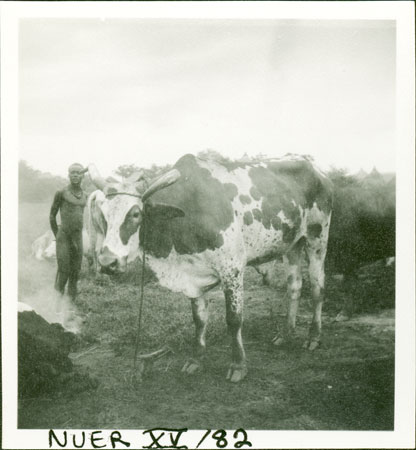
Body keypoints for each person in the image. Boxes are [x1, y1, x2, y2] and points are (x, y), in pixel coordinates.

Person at [50, 163, 88, 301]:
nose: (75, 175)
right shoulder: (61, 193)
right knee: (64, 271)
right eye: (72, 172)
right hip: (64, 236)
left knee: (75, 273)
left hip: (77, 237)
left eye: (78, 172)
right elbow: (52, 216)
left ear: (83, 175)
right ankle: (57, 306)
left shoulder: (85, 195)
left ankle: (71, 307)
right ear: (68, 175)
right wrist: (58, 235)